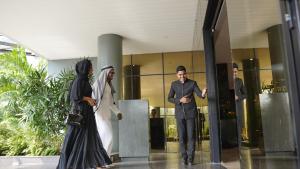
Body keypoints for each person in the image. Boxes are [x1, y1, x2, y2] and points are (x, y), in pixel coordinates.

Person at [57, 59, 112, 169]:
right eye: (90, 67)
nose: (92, 69)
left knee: (89, 138)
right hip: (81, 114)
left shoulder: (84, 80)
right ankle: (77, 164)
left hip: (87, 113)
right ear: (85, 68)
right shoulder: (79, 80)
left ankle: (95, 163)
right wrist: (88, 99)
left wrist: (90, 100)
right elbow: (74, 97)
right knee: (80, 138)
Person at [168, 65, 207, 166]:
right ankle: (184, 158)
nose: (182, 76)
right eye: (180, 74)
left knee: (191, 137)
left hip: (191, 114)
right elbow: (170, 98)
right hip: (179, 114)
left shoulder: (192, 83)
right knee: (181, 138)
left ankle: (190, 159)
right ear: (177, 75)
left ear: (186, 73)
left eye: (184, 74)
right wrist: (180, 100)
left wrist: (203, 94)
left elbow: (199, 94)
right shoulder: (174, 84)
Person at [92, 65, 122, 157]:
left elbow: (110, 102)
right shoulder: (97, 84)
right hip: (99, 114)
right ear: (105, 73)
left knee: (105, 137)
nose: (113, 74)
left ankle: (105, 160)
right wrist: (95, 111)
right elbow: (93, 100)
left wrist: (118, 112)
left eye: (113, 72)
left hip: (107, 115)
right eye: (111, 72)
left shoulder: (108, 86)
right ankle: (103, 159)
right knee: (108, 136)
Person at [233, 63, 247, 147]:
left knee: (238, 127)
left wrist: (238, 97)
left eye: (236, 72)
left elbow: (245, 94)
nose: (235, 73)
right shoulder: (227, 81)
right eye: (233, 72)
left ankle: (239, 146)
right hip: (229, 109)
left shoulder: (240, 81)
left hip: (238, 107)